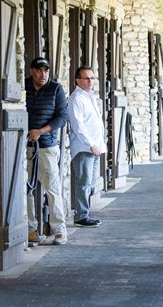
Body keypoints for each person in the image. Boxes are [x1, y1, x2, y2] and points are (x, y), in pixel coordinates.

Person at [25, 57, 68, 245]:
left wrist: (40, 131)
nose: (44, 74)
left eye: (46, 71)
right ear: (32, 71)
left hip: (47, 145)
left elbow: (62, 117)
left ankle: (59, 230)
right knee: (25, 188)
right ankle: (30, 229)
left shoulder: (55, 89)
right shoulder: (23, 87)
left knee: (52, 188)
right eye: (40, 70)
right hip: (24, 145)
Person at [68, 66, 105, 228]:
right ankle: (81, 216)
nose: (90, 81)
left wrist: (99, 145)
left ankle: (84, 213)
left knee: (89, 183)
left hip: (95, 147)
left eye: (92, 78)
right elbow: (78, 126)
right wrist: (91, 144)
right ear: (78, 80)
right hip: (85, 147)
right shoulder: (76, 98)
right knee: (84, 182)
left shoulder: (89, 96)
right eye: (86, 78)